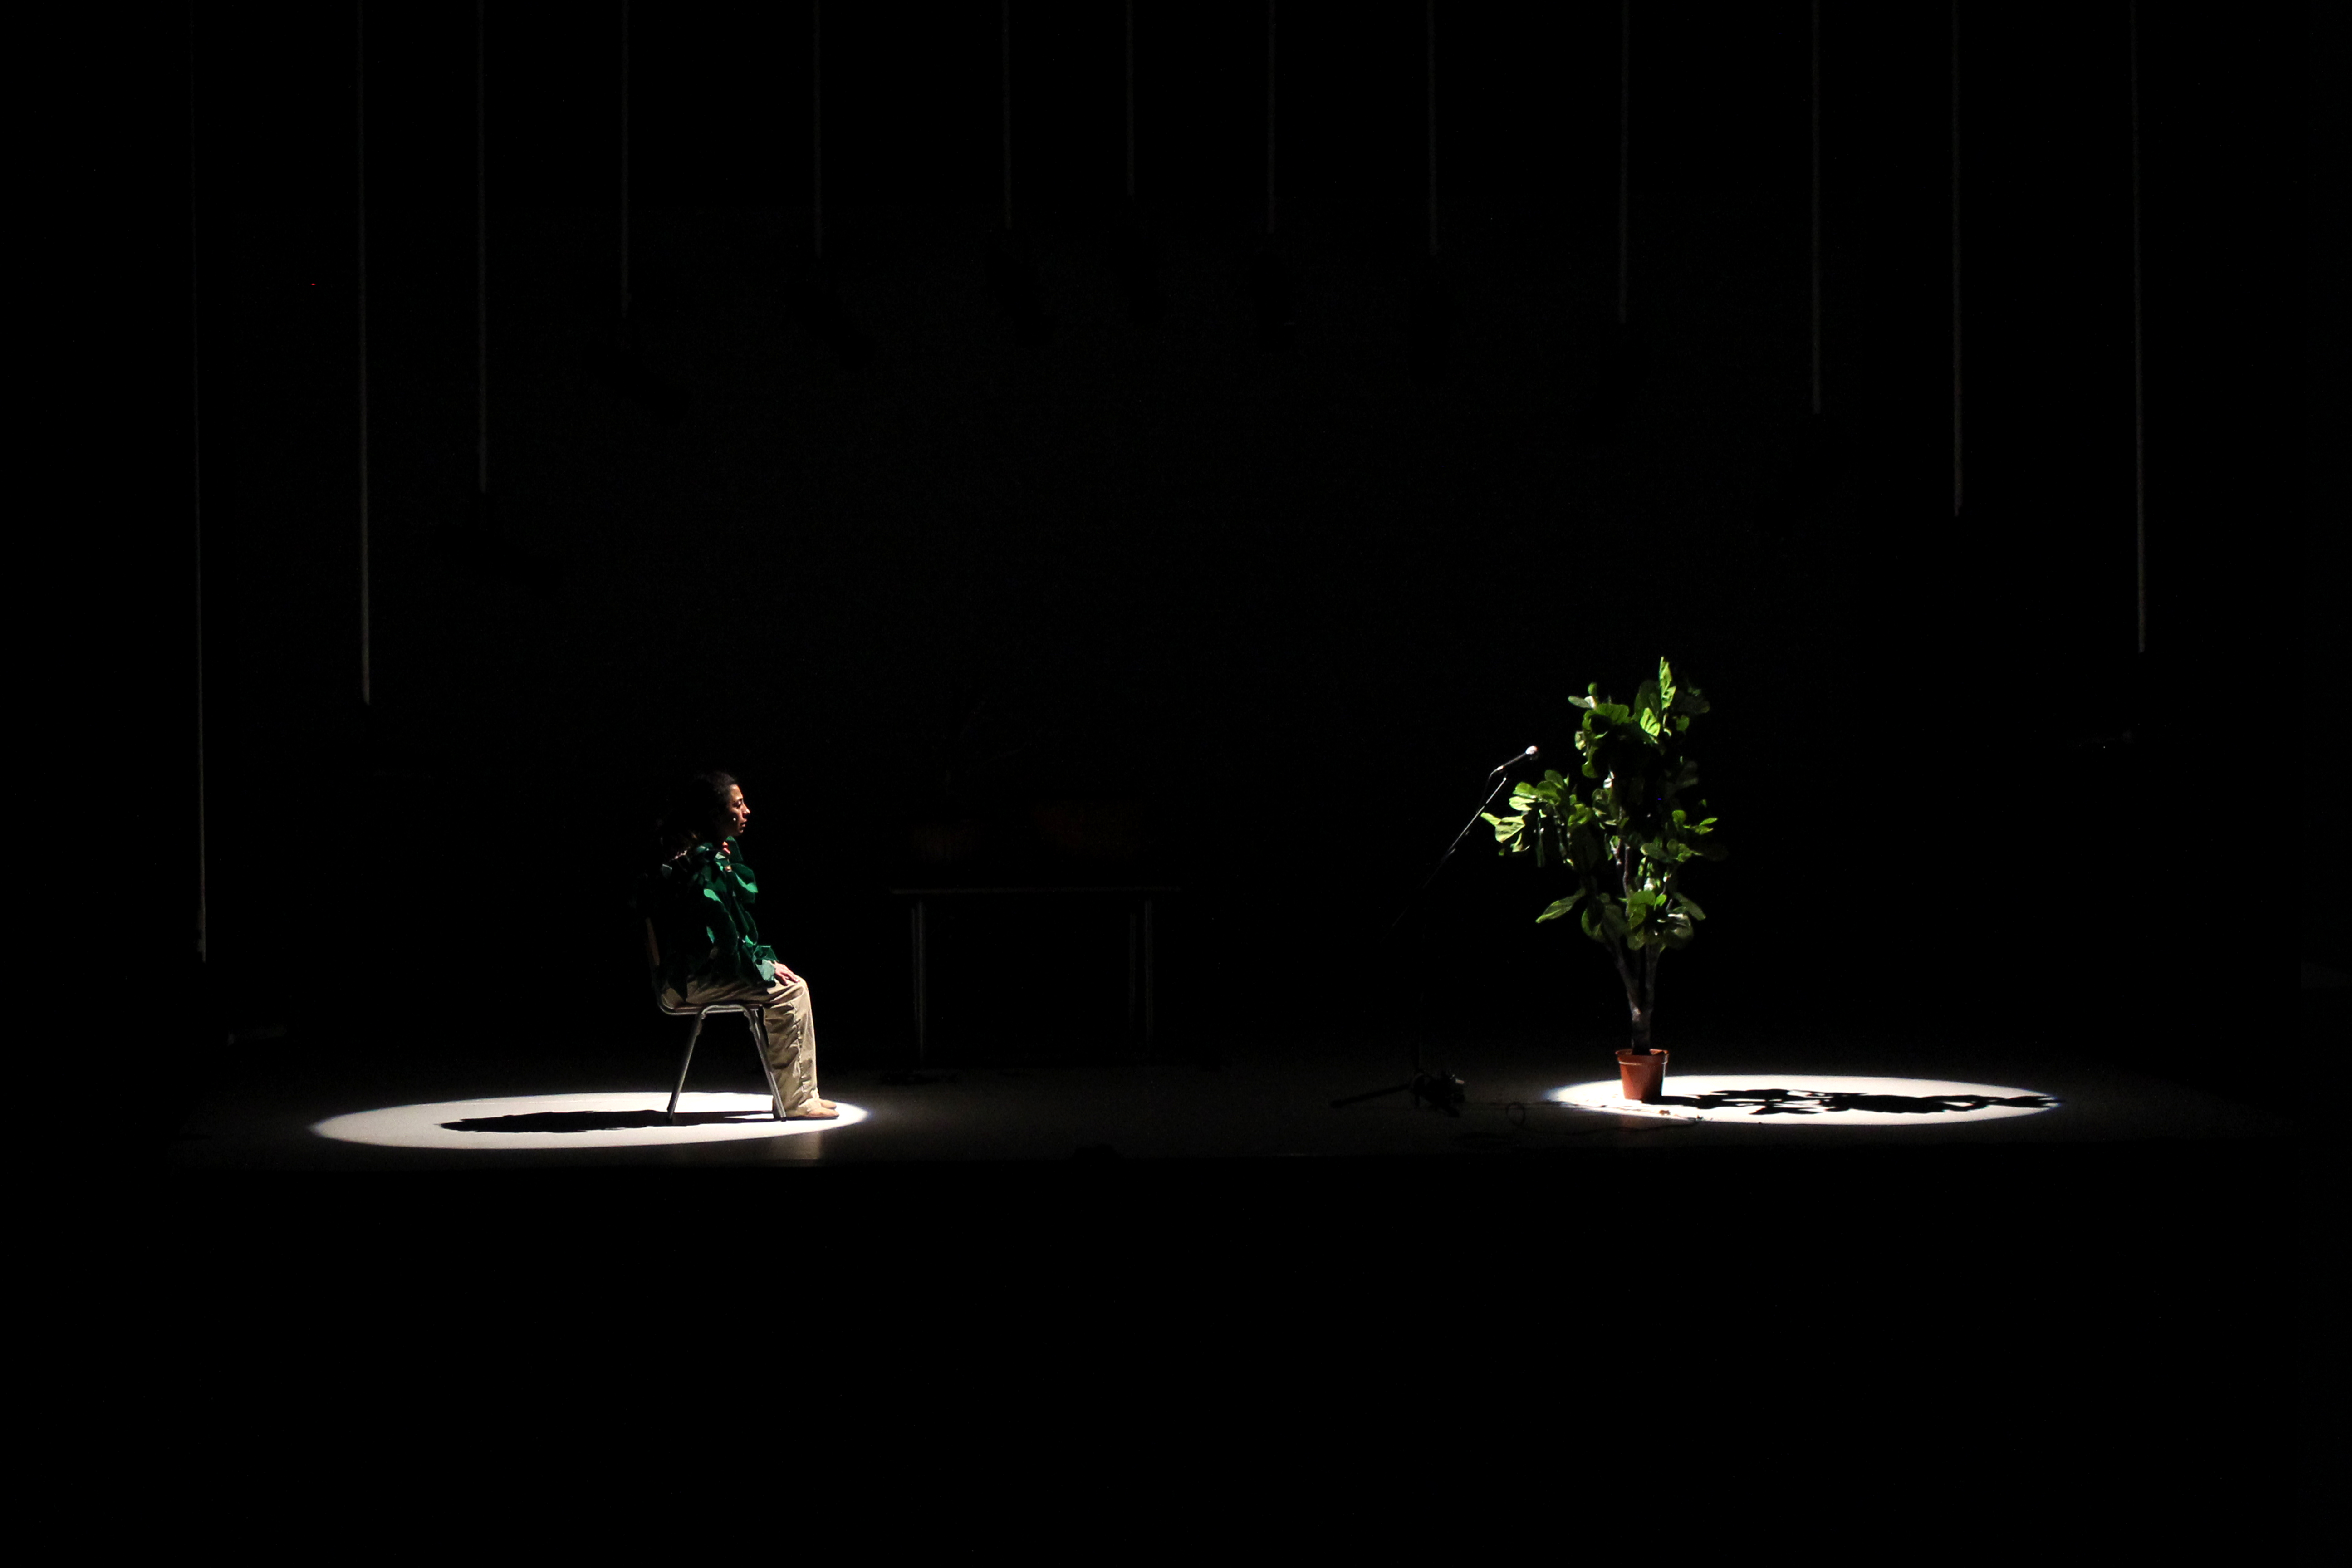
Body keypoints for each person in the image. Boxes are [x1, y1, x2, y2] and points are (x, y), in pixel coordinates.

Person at [635, 769, 837, 1118]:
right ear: (716, 814)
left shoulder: (707, 857)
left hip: (699, 974)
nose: (747, 811)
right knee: (791, 990)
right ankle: (797, 1101)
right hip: (690, 982)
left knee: (789, 983)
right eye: (738, 805)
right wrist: (762, 966)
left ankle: (801, 1094)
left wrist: (761, 961)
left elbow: (733, 932)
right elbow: (724, 939)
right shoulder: (700, 866)